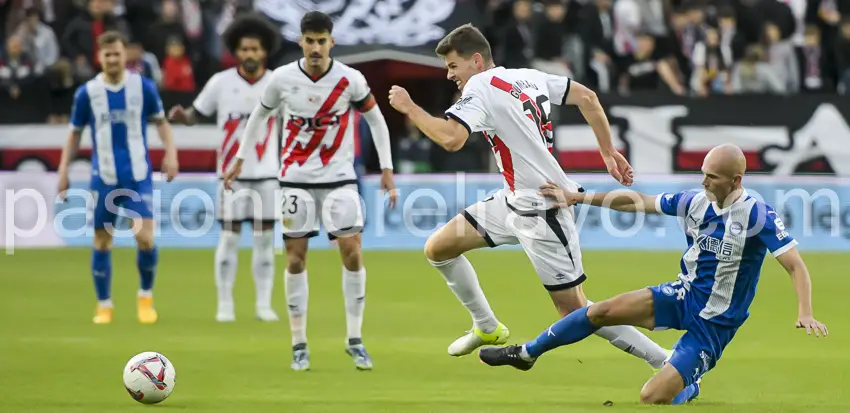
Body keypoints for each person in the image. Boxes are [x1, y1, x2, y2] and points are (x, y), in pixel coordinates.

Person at [387, 23, 670, 370]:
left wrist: (409, 108)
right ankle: (487, 327)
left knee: (576, 311)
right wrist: (607, 151)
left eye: (452, 66)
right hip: (513, 200)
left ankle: (666, 361)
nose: (449, 75)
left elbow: (451, 138)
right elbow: (587, 97)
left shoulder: (480, 86)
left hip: (543, 206)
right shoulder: (528, 77)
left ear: (476, 61)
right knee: (439, 248)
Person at [479, 144, 829, 405]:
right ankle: (525, 354)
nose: (704, 181)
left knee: (652, 398)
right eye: (703, 172)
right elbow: (638, 201)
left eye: (713, 176)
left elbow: (795, 264)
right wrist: (577, 197)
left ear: (736, 180)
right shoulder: (694, 201)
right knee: (600, 311)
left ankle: (688, 383)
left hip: (716, 323)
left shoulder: (757, 215)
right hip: (682, 296)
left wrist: (805, 312)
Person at [223, 11, 397, 372]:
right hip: (296, 180)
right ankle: (299, 343)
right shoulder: (283, 79)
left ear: (331, 42)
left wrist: (386, 168)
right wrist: (240, 158)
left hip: (340, 179)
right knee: (296, 259)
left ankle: (355, 339)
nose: (316, 47)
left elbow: (376, 120)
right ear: (301, 41)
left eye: (322, 41)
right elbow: (259, 116)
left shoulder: (351, 80)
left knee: (351, 251)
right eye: (310, 41)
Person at [57, 31, 179, 325]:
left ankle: (145, 298)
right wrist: (63, 170)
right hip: (104, 176)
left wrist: (171, 153)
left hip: (138, 174)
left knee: (144, 237)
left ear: (126, 55)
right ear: (100, 57)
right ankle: (104, 304)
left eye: (117, 53)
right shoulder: (87, 93)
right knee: (102, 239)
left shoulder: (144, 87)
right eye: (107, 54)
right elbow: (74, 133)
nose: (112, 59)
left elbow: (161, 124)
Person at [168, 13, 282, 323]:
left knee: (263, 241)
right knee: (229, 238)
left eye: (255, 49)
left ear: (265, 51)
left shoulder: (277, 83)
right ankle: (225, 305)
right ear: (235, 50)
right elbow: (197, 113)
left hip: (269, 175)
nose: (250, 54)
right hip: (231, 176)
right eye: (244, 48)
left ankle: (262, 304)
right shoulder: (221, 83)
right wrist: (183, 116)